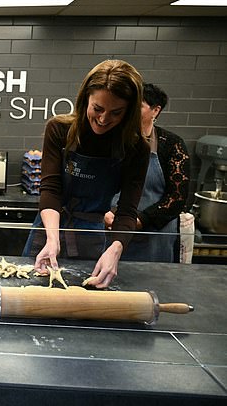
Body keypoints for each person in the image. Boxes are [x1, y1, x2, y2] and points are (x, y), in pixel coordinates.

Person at [22, 59, 150, 289]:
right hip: (50, 228)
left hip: (90, 233)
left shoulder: (136, 148)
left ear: (129, 112)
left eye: (116, 112)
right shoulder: (60, 129)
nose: (103, 119)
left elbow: (127, 210)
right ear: (85, 100)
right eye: (97, 109)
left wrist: (115, 248)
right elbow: (51, 188)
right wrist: (52, 239)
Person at [105, 83, 190, 262]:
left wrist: (140, 220)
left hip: (153, 236)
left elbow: (177, 197)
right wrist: (104, 213)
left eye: (139, 106)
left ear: (155, 110)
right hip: (111, 229)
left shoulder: (172, 144)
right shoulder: (110, 138)